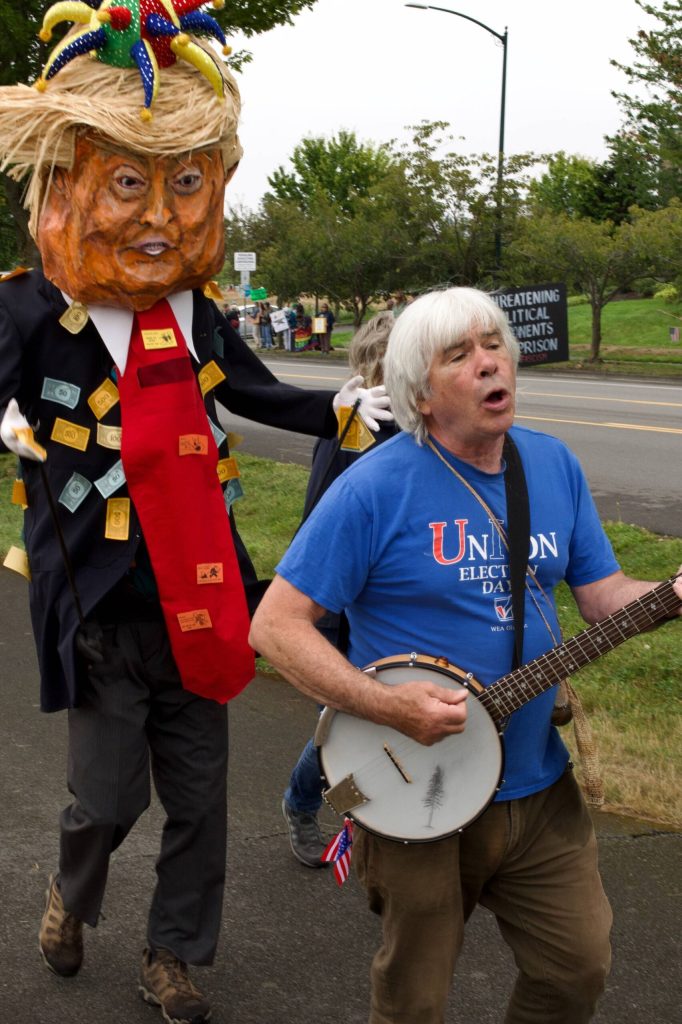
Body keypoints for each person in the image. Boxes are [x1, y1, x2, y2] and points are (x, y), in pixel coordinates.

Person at [0, 5, 392, 1023]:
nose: (161, 217)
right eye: (130, 183)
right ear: (72, 180)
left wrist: (347, 410)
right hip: (99, 602)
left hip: (203, 593)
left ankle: (172, 955)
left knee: (200, 799)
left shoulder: (200, 308)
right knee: (107, 799)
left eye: (182, 185)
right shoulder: (28, 310)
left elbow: (261, 396)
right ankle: (71, 891)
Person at [250, 286, 682, 1024]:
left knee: (577, 968)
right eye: (461, 355)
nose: (490, 364)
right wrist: (388, 706)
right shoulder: (374, 488)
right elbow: (275, 627)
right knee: (416, 997)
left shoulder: (552, 465)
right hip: (416, 792)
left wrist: (670, 592)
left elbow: (604, 595)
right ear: (421, 392)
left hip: (539, 788)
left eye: (494, 345)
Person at [281, 311, 398, 868]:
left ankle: (369, 812)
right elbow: (321, 522)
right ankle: (306, 802)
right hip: (342, 602)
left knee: (386, 714)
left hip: (391, 599)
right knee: (347, 720)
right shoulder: (354, 424)